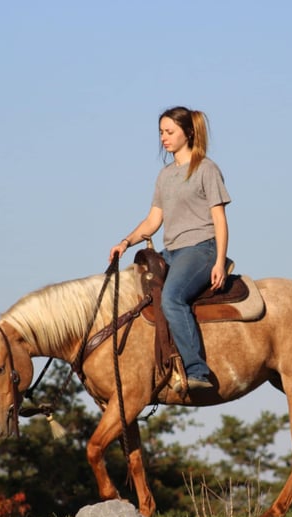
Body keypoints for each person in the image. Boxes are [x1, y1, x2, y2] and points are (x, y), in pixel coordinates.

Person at [109, 106, 231, 391]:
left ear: (188, 132)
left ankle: (197, 371)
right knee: (135, 296)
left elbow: (220, 220)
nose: (164, 138)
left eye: (169, 132)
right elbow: (153, 221)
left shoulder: (206, 169)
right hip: (172, 252)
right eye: (161, 132)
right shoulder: (165, 175)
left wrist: (219, 261)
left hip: (201, 249)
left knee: (173, 298)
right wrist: (125, 243)